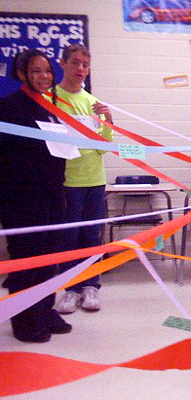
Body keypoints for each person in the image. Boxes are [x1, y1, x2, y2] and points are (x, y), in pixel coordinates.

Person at [0, 49, 72, 342]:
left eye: (47, 71)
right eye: (36, 71)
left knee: (48, 258)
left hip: (52, 194)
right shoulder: (9, 107)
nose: (44, 77)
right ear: (21, 74)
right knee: (26, 259)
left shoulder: (51, 106)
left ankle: (44, 309)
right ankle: (24, 320)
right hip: (21, 198)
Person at [54, 44, 114, 315]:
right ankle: (69, 289)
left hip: (95, 180)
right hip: (66, 181)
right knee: (68, 237)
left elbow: (103, 148)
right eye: (75, 63)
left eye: (85, 65)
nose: (80, 69)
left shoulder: (92, 103)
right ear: (63, 63)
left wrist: (107, 122)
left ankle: (91, 285)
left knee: (91, 236)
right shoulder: (51, 98)